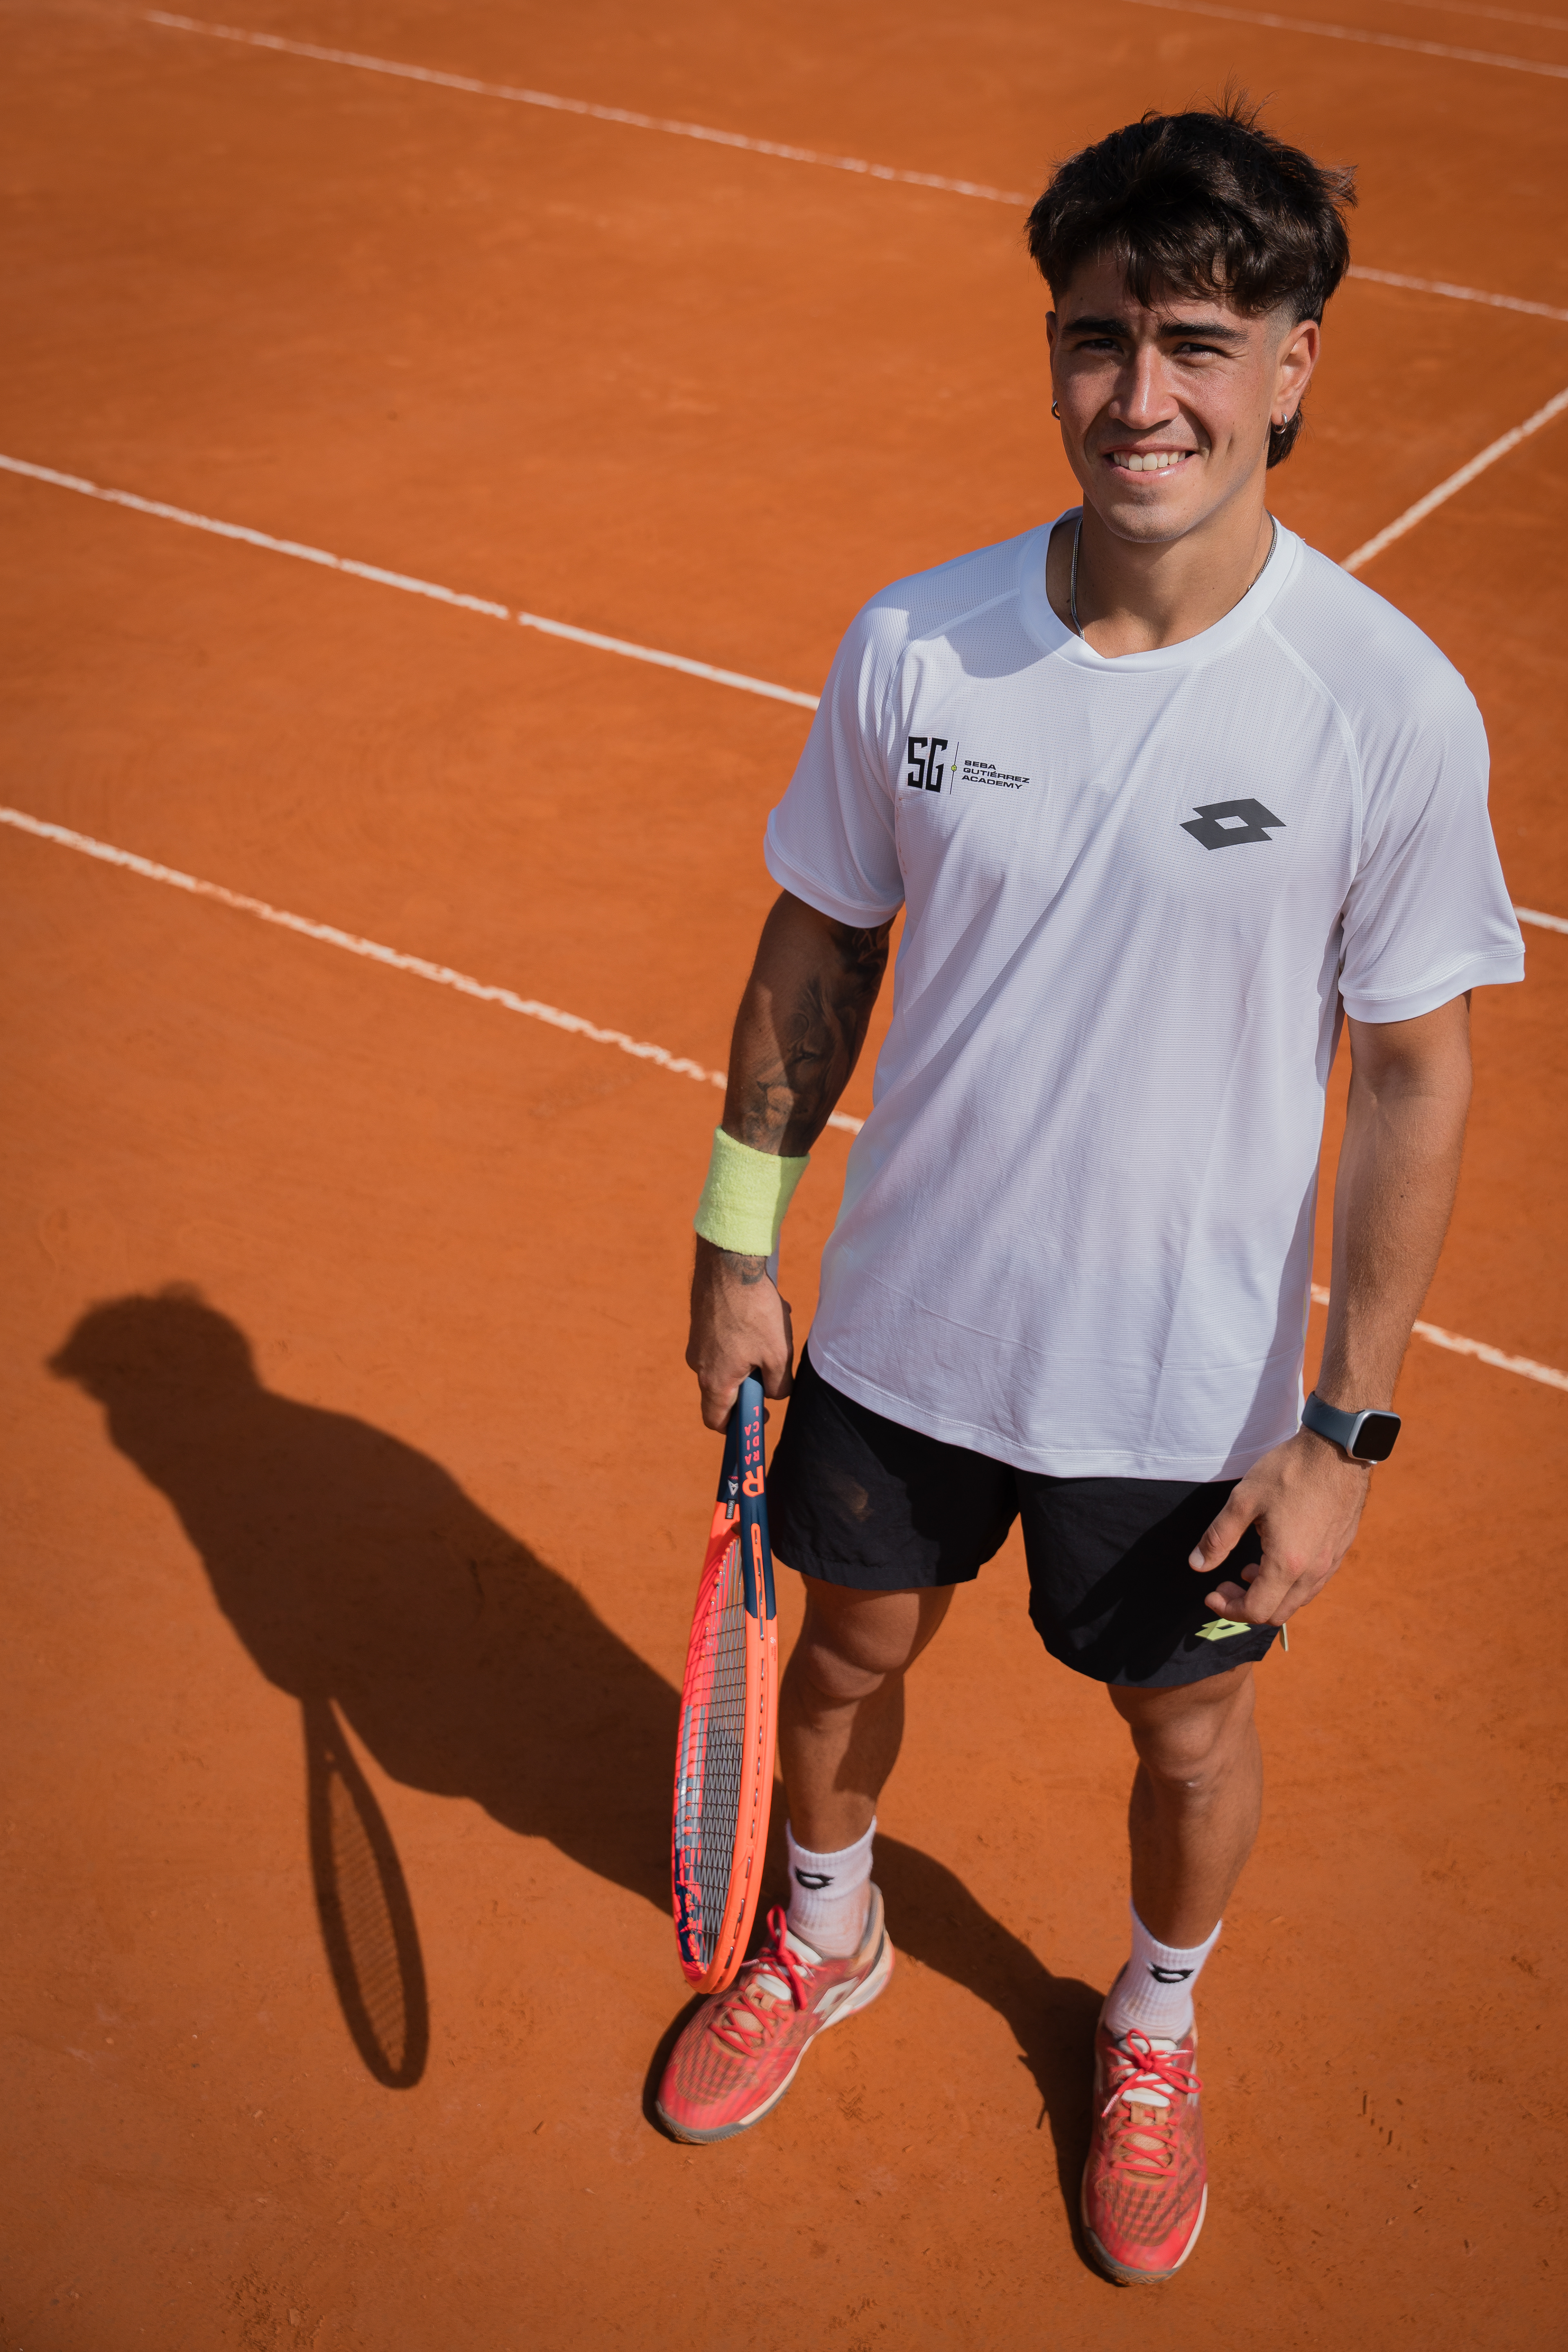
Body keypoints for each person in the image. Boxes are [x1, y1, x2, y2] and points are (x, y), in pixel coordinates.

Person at [654, 97, 1525, 2285]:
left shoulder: (1383, 711)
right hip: (916, 1328)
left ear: (1296, 365)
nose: (1144, 392)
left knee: (1188, 1724)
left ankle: (1150, 2026)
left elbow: (1419, 1075)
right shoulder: (919, 650)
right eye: (1100, 335)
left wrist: (1343, 1436)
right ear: (1054, 353)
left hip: (1186, 1388)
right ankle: (826, 1933)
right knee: (845, 1656)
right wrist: (738, 1240)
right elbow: (818, 941)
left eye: (1200, 339)